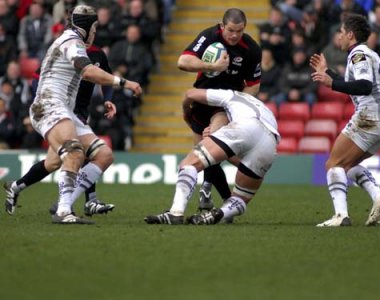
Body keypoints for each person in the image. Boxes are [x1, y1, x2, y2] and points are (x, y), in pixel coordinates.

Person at [24, 4, 141, 224]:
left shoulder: (71, 39)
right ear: (88, 27)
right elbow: (87, 70)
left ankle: (65, 205)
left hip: (64, 110)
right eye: (95, 28)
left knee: (104, 156)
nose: (95, 33)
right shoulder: (71, 41)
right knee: (75, 154)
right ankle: (64, 212)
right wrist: (124, 82)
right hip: (49, 106)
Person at [4, 44, 118, 218]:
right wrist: (45, 100)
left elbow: (107, 78)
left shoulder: (97, 54)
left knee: (53, 163)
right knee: (88, 152)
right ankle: (85, 201)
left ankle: (16, 187)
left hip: (79, 112)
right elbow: (37, 77)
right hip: (62, 112)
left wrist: (108, 99)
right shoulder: (63, 50)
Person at [309, 13, 380, 227]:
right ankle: (379, 198)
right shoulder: (367, 54)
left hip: (371, 118)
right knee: (347, 166)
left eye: (341, 32)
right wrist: (327, 72)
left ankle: (341, 216)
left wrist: (331, 84)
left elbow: (364, 86)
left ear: (350, 34)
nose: (338, 36)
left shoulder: (358, 54)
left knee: (333, 164)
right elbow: (355, 84)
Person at [145, 88, 279, 225]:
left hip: (246, 125)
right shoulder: (264, 108)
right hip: (271, 142)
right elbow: (242, 164)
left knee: (189, 164)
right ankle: (220, 214)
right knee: (240, 198)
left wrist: (186, 113)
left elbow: (190, 94)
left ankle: (175, 213)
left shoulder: (231, 95)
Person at [177, 8, 262, 216]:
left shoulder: (251, 49)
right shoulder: (209, 36)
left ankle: (225, 199)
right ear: (222, 26)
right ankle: (209, 190)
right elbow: (183, 62)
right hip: (201, 99)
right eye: (231, 30)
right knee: (205, 155)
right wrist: (212, 65)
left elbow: (253, 85)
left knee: (211, 146)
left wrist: (240, 105)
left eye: (239, 31)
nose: (234, 35)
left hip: (224, 105)